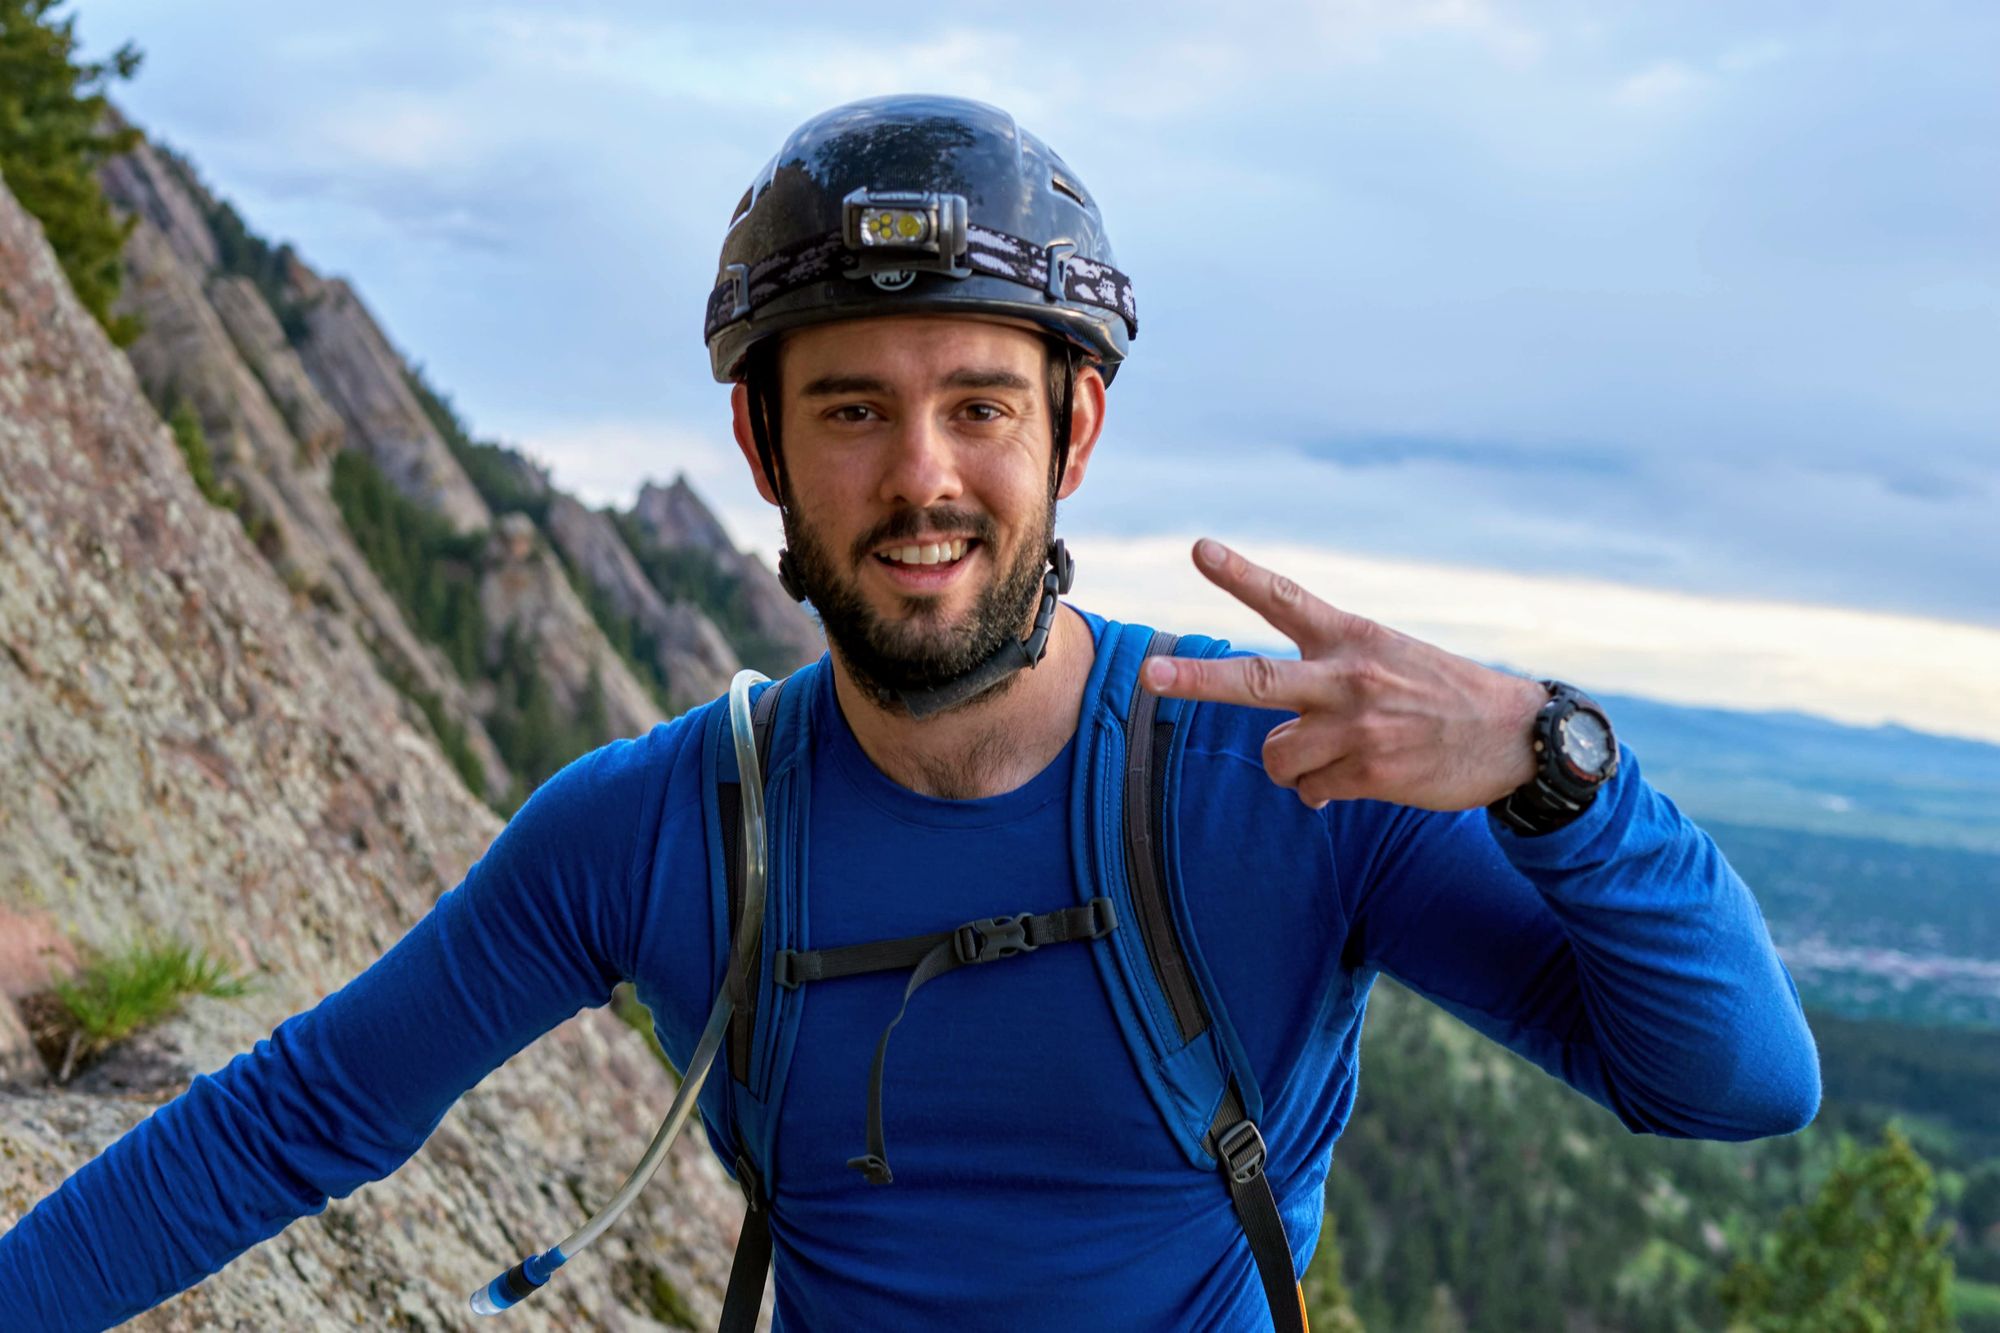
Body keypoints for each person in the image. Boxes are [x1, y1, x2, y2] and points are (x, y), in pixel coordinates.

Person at [0, 94, 1819, 1332]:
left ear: (1073, 432)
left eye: (980, 404)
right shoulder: (657, 831)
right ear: (763, 446)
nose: (922, 475)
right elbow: (292, 1120)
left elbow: (1735, 1082)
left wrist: (1557, 761)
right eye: (855, 408)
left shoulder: (1282, 777)